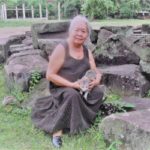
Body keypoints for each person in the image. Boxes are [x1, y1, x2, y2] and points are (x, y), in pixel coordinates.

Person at [31, 15, 104, 148]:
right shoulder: (61, 49)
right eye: (77, 30)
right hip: (62, 88)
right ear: (70, 31)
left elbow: (95, 70)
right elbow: (50, 75)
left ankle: (83, 120)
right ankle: (57, 131)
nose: (80, 34)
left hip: (81, 87)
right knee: (72, 95)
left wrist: (97, 80)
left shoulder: (87, 51)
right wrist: (72, 85)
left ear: (87, 34)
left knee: (98, 92)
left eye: (84, 31)